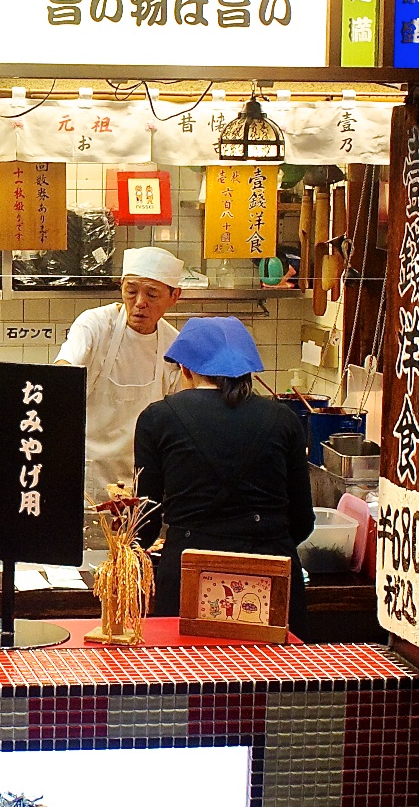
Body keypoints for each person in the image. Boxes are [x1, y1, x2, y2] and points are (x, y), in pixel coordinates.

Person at [133, 315, 315, 637]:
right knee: (275, 668)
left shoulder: (157, 419)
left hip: (187, 572)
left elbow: (145, 522)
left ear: (186, 369)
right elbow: (302, 521)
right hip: (274, 573)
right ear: (247, 371)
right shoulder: (285, 420)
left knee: (186, 667)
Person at [54, 246, 183, 501]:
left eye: (152, 294)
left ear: (174, 296)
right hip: (86, 473)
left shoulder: (174, 345)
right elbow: (64, 371)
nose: (140, 303)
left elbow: (178, 417)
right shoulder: (95, 325)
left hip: (142, 478)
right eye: (131, 291)